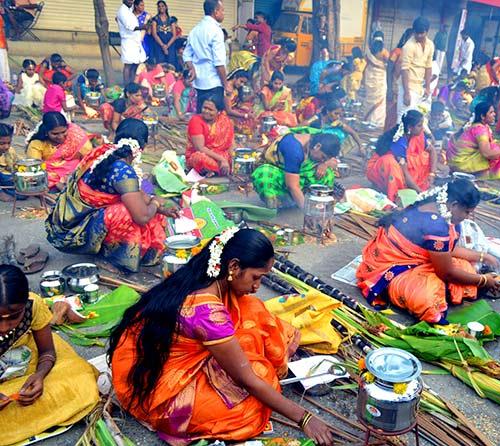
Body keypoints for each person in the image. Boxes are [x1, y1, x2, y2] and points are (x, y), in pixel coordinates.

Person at [108, 228, 333, 445]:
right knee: (253, 397)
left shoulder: (202, 276)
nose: (257, 286)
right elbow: (247, 380)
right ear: (233, 266)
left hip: (163, 354)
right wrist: (304, 418)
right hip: (166, 384)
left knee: (252, 308)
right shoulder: (207, 312)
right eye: (256, 277)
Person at [356, 180, 500, 323]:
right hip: (392, 265)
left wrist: (483, 257)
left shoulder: (440, 209)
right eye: (467, 212)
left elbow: (446, 250)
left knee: (466, 268)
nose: (469, 217)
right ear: (454, 205)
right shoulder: (436, 225)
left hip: (419, 259)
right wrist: (483, 281)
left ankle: (452, 290)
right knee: (427, 298)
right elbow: (446, 272)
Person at [46, 119, 179, 272]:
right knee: (126, 213)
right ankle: (114, 259)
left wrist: (159, 205)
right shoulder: (123, 171)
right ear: (143, 146)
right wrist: (155, 203)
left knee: (150, 206)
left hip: (75, 218)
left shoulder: (105, 153)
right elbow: (141, 216)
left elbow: (139, 192)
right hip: (75, 232)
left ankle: (139, 250)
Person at [0, 265, 99, 445]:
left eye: (14, 317)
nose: (4, 327)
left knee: (81, 378)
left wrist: (40, 375)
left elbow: (46, 352)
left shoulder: (33, 304)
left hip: (23, 355)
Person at [252, 133, 340, 209]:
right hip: (281, 174)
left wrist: (325, 163)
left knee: (327, 173)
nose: (322, 160)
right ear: (317, 146)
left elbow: (333, 160)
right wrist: (307, 212)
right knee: (265, 174)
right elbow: (292, 186)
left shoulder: (317, 137)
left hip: (298, 174)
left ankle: (313, 201)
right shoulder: (294, 150)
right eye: (323, 157)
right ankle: (281, 203)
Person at [367, 109, 435, 201]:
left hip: (403, 168)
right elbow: (405, 172)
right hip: (381, 168)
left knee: (423, 156)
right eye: (419, 126)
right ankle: (393, 195)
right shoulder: (399, 141)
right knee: (391, 164)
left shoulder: (418, 135)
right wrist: (421, 193)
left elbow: (432, 151)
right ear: (410, 127)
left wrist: (432, 173)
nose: (422, 128)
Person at [448, 102, 500, 180]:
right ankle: (481, 178)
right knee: (495, 154)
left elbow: (491, 145)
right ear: (482, 116)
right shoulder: (480, 129)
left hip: (457, 162)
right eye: (491, 112)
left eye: (494, 112)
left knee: (494, 148)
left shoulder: (483, 126)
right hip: (461, 164)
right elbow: (487, 154)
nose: (494, 114)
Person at [27, 112, 93, 190]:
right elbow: (35, 168)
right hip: (50, 175)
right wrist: (56, 183)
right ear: (46, 132)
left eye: (63, 132)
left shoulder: (74, 134)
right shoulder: (36, 144)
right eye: (55, 134)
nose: (60, 137)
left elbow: (88, 156)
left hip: (73, 172)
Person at [183, 0, 228, 112]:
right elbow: (219, 63)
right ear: (216, 12)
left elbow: (186, 54)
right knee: (214, 119)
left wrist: (191, 68)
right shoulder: (216, 31)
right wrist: (226, 84)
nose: (224, 13)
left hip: (199, 82)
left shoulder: (195, 29)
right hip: (214, 82)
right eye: (222, 10)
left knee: (201, 115)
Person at [186, 94, 235, 177]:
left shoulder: (224, 120)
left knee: (233, 160)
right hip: (203, 154)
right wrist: (222, 160)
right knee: (199, 158)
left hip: (221, 154)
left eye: (210, 109)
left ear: (218, 112)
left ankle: (216, 170)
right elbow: (200, 148)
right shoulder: (196, 121)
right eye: (204, 108)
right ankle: (215, 170)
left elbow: (230, 143)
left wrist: (233, 159)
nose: (206, 111)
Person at [397, 17, 434, 124]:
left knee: (417, 120)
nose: (419, 36)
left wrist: (427, 87)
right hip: (407, 86)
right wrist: (406, 93)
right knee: (403, 118)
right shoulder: (409, 46)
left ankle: (411, 141)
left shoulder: (430, 45)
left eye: (422, 33)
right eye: (416, 33)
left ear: (427, 31)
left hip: (420, 87)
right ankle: (399, 140)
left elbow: (428, 67)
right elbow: (405, 70)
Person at [385, 28, 412, 131]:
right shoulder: (397, 52)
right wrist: (390, 88)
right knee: (392, 114)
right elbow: (389, 69)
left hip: (408, 89)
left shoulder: (414, 54)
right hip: (396, 86)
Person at [362, 31, 389, 127]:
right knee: (380, 101)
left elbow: (364, 66)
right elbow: (390, 65)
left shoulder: (368, 52)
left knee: (370, 99)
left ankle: (368, 120)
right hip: (380, 79)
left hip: (370, 78)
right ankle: (377, 122)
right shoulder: (384, 52)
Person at [117, 0, 147, 85]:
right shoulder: (122, 11)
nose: (131, 1)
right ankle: (127, 87)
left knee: (135, 65)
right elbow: (130, 26)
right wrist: (143, 27)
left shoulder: (129, 10)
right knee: (128, 65)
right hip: (128, 42)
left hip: (135, 41)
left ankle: (133, 85)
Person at [224, 70, 255, 134]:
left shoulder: (235, 87)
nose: (242, 84)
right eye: (241, 81)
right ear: (235, 77)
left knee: (249, 110)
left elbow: (236, 103)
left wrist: (245, 108)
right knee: (244, 121)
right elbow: (228, 111)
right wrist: (245, 115)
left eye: (244, 83)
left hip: (233, 109)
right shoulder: (228, 89)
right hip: (225, 113)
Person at [151, 1, 178, 67]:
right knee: (160, 65)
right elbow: (154, 34)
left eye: (162, 6)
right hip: (159, 45)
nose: (161, 8)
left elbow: (174, 35)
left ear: (166, 7)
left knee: (171, 65)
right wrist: (163, 46)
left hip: (170, 45)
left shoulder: (171, 20)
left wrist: (167, 46)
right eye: (159, 6)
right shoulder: (155, 19)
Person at [0, 123, 19, 202]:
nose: (6, 147)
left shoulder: (10, 151)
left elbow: (15, 167)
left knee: (21, 194)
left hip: (5, 178)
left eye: (9, 143)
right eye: (2, 144)